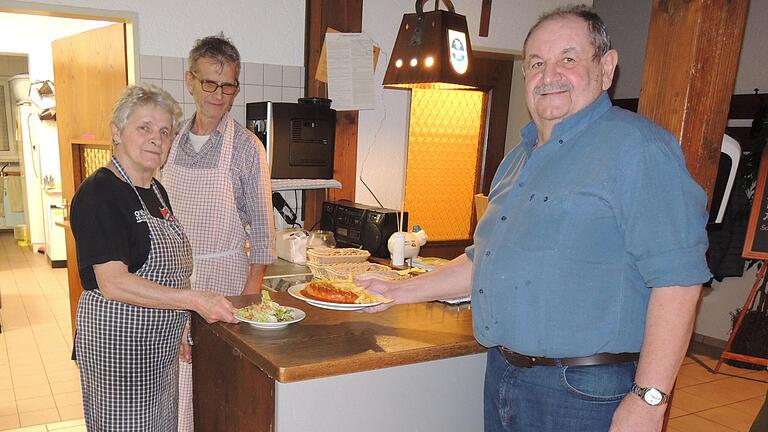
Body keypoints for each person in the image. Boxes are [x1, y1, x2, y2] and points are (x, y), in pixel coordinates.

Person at [360, 5, 711, 432]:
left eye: (568, 58)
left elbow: (678, 281)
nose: (550, 75)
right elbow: (482, 261)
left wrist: (649, 400)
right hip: (506, 373)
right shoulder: (517, 158)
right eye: (537, 63)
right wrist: (398, 291)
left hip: (585, 388)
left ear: (607, 67)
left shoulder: (637, 149)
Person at [70, 84, 238, 431]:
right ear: (117, 131)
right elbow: (113, 282)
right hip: (119, 350)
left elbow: (169, 271)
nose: (156, 139)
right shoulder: (99, 193)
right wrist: (192, 300)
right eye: (144, 127)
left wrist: (178, 327)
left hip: (157, 350)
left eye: (164, 131)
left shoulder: (155, 190)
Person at [162, 33, 276, 431]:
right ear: (189, 81)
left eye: (228, 85)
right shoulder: (168, 141)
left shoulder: (247, 147)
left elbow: (262, 233)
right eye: (209, 82)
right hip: (174, 282)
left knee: (219, 387)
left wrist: (248, 301)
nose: (218, 94)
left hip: (225, 282)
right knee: (176, 381)